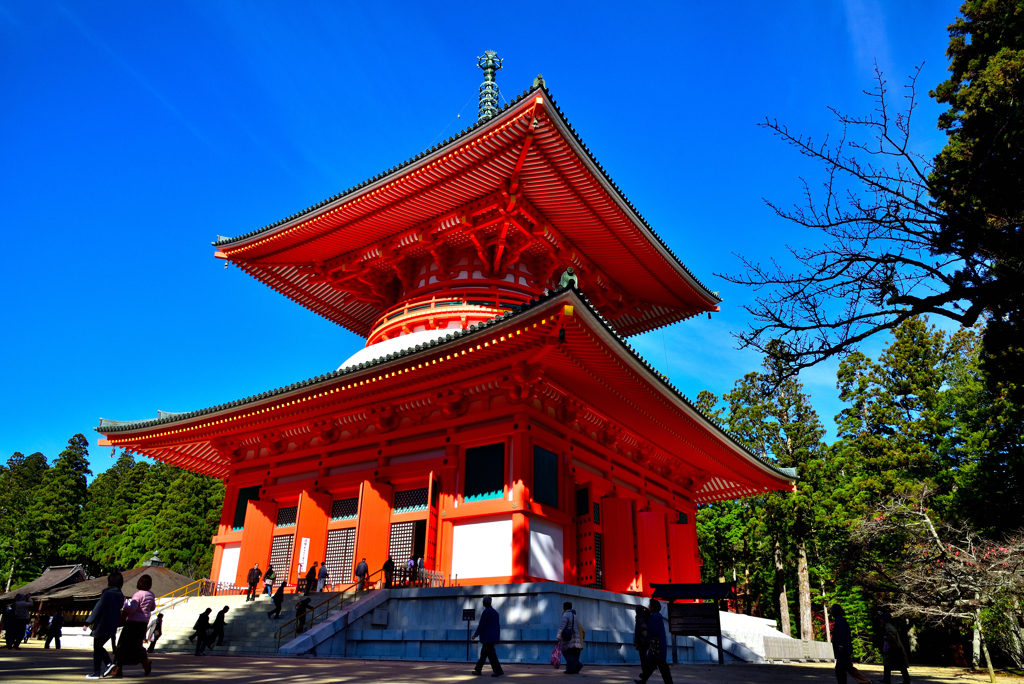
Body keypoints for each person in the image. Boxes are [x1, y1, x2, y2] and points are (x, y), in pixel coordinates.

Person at [108, 573, 156, 678]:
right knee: (137, 646)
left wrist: (125, 604)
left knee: (122, 645)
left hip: (132, 623)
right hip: (143, 623)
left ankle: (118, 668)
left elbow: (132, 609)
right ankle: (145, 662)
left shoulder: (137, 594)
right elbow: (152, 608)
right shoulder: (151, 595)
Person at [83, 572, 124, 680]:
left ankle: (98, 670)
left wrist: (88, 622)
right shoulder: (120, 595)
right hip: (113, 623)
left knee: (97, 647)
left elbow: (99, 607)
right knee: (99, 646)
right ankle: (108, 665)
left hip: (102, 623)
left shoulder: (107, 593)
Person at [832, 604, 871, 684]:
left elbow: (841, 635)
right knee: (848, 667)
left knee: (841, 669)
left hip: (843, 650)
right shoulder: (841, 620)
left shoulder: (839, 621)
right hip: (845, 649)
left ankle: (866, 681)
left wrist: (840, 646)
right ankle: (866, 681)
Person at [636, 599, 673, 684]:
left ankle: (644, 679)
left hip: (656, 645)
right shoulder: (657, 616)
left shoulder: (654, 618)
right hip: (659, 645)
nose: (649, 607)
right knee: (654, 665)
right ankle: (644, 679)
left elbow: (654, 631)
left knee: (659, 665)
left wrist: (646, 629)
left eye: (650, 606)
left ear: (652, 608)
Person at [472, 595, 504, 677]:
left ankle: (498, 670)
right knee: (484, 654)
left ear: (484, 603)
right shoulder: (495, 612)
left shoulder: (486, 612)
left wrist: (475, 634)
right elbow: (497, 626)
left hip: (487, 637)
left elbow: (481, 625)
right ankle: (478, 669)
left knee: (491, 655)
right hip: (493, 637)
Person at [879, 612, 910, 684]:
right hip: (894, 649)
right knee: (890, 664)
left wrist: (885, 638)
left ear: (884, 620)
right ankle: (887, 679)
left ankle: (906, 681)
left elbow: (892, 638)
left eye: (881, 620)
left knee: (901, 666)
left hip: (895, 649)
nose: (880, 621)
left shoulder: (889, 627)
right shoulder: (888, 626)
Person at [559, 601, 584, 674]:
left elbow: (562, 627)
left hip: (568, 638)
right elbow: (582, 631)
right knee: (574, 655)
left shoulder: (565, 615)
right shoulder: (575, 617)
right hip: (576, 640)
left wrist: (558, 636)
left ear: (565, 608)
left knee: (566, 653)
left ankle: (577, 664)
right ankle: (571, 670)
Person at [633, 605, 651, 677]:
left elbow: (637, 631)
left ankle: (645, 672)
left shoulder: (639, 619)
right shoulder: (647, 618)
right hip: (647, 639)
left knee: (642, 657)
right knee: (645, 655)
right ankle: (646, 671)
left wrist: (635, 641)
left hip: (641, 640)